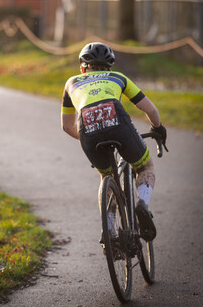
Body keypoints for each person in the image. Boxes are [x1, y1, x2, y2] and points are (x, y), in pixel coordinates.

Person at [61, 42, 167, 242]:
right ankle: (142, 204)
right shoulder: (118, 77)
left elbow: (67, 126)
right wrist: (158, 128)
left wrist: (88, 136)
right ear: (109, 67)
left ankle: (109, 233)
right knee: (145, 166)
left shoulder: (71, 82)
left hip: (86, 128)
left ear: (83, 68)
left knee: (106, 176)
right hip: (118, 122)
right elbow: (151, 110)